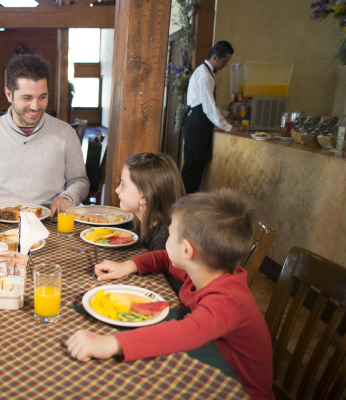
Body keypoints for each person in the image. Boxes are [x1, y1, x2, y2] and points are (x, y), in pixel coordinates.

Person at [66, 189, 274, 400]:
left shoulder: (228, 301)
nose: (167, 239)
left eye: (171, 235)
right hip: (209, 363)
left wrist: (111, 344)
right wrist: (127, 266)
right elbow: (164, 259)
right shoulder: (206, 270)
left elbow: (187, 332)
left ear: (186, 251)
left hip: (238, 389)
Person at [0, 54, 89, 218]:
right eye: (27, 98)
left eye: (42, 97)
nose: (35, 107)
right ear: (8, 94)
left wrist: (68, 197)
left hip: (50, 222)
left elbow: (79, 181)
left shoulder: (66, 133)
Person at [97, 152, 186, 293]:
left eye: (123, 185)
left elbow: (159, 288)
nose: (117, 190)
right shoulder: (140, 222)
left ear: (143, 196)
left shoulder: (163, 240)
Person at [181, 41, 246, 194]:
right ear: (215, 57)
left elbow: (207, 104)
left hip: (197, 123)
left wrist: (226, 114)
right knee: (192, 171)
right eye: (225, 61)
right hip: (196, 125)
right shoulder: (204, 75)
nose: (225, 64)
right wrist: (230, 127)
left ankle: (183, 207)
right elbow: (208, 108)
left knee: (194, 170)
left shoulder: (206, 72)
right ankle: (180, 209)